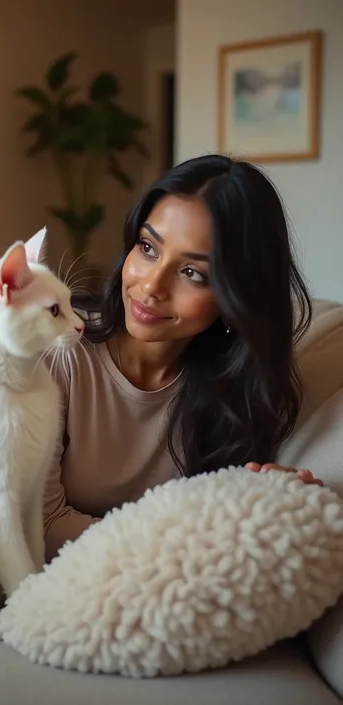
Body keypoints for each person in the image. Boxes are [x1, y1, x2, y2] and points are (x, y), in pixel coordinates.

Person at [43, 153, 323, 563]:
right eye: (148, 247)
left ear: (236, 297)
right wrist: (182, 547)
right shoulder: (57, 354)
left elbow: (225, 517)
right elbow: (41, 525)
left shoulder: (236, 392)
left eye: (192, 273)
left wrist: (279, 503)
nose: (152, 285)